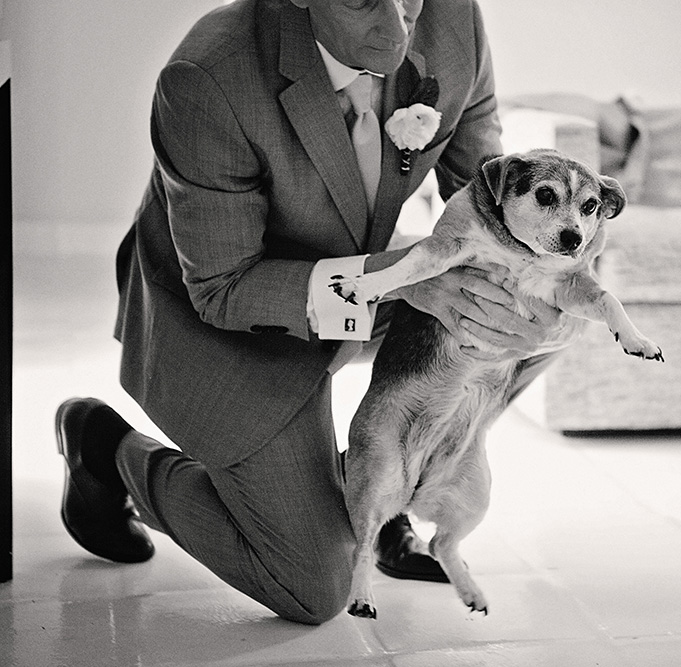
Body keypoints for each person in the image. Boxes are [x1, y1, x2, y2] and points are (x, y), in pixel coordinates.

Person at [56, 0, 566, 625]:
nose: (398, 30)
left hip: (372, 270)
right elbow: (223, 288)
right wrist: (403, 283)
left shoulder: (453, 17)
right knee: (312, 585)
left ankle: (380, 486)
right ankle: (104, 450)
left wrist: (528, 299)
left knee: (545, 310)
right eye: (363, 2)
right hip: (231, 304)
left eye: (411, 1)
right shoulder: (207, 78)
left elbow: (485, 198)